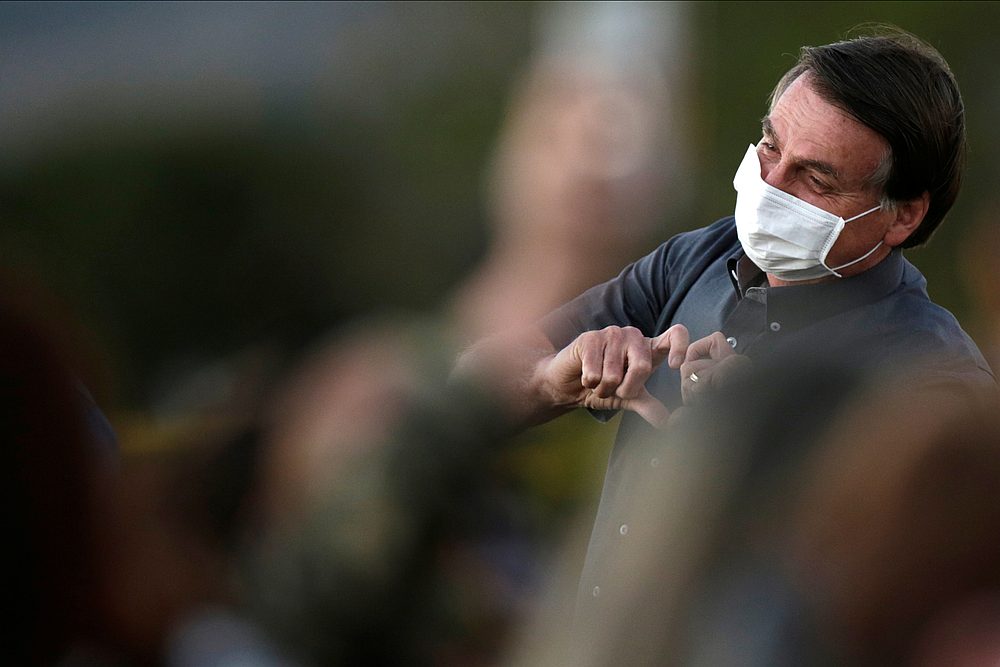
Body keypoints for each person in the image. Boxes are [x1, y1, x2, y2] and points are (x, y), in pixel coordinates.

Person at [457, 26, 996, 626]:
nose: (770, 186)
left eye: (815, 180)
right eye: (769, 147)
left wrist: (770, 439)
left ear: (904, 215)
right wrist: (548, 379)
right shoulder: (703, 256)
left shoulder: (934, 376)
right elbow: (467, 388)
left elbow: (934, 607)